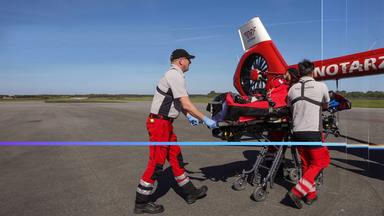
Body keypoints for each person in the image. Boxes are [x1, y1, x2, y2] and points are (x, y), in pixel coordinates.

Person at [134, 49, 218, 214]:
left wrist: (189, 116)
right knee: (157, 163)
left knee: (175, 157)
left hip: (165, 124)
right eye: (189, 59)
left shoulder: (176, 76)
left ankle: (189, 192)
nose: (190, 62)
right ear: (181, 60)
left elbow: (179, 104)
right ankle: (141, 201)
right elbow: (186, 103)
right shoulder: (174, 75)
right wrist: (204, 118)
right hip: (159, 124)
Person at [286, 59, 331, 209]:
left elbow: (290, 107)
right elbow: (326, 105)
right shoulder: (321, 86)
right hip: (313, 132)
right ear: (313, 71)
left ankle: (310, 195)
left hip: (297, 132)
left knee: (306, 164)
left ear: (299, 73)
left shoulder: (292, 89)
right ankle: (297, 192)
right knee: (320, 162)